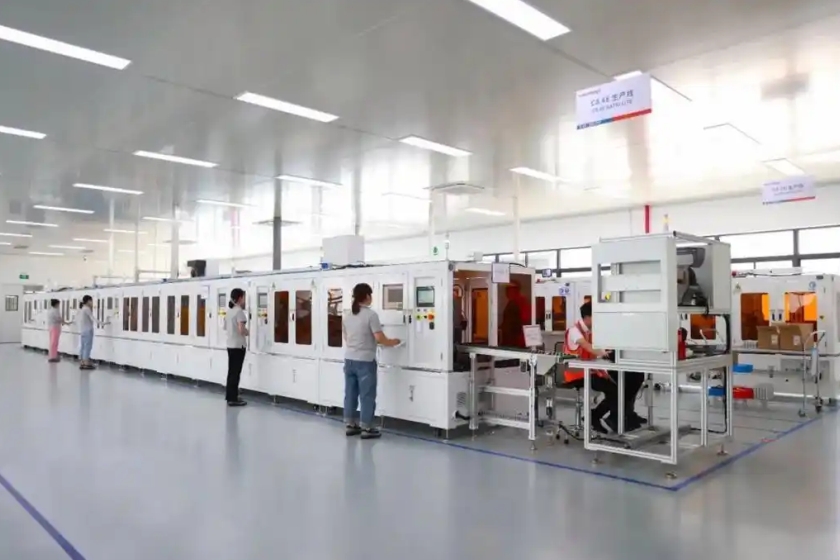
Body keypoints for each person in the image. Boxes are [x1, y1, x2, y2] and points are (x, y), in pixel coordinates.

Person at [343, 283, 400, 439]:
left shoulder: (348, 315)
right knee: (367, 395)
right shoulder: (371, 315)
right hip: (365, 361)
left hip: (349, 360)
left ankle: (350, 424)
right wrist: (393, 342)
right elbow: (379, 338)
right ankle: (366, 428)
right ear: (367, 296)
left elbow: (347, 338)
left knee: (350, 393)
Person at [562, 302, 618, 434]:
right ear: (587, 317)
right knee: (614, 390)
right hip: (576, 374)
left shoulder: (590, 332)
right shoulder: (574, 331)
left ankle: (604, 417)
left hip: (589, 371)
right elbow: (587, 347)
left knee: (617, 387)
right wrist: (604, 353)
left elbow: (596, 350)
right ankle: (595, 417)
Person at [225, 288, 249, 407]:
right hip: (238, 346)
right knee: (236, 373)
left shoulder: (229, 311)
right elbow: (241, 330)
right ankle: (233, 399)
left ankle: (230, 396)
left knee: (231, 372)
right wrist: (248, 332)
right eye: (243, 297)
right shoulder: (239, 312)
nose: (244, 299)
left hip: (230, 345)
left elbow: (225, 327)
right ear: (240, 298)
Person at [76, 296, 96, 369]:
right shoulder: (87, 309)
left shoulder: (82, 309)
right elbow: (93, 318)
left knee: (83, 346)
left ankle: (82, 361)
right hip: (88, 330)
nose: (92, 302)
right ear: (88, 301)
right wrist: (103, 323)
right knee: (88, 347)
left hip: (83, 331)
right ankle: (86, 362)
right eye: (91, 301)